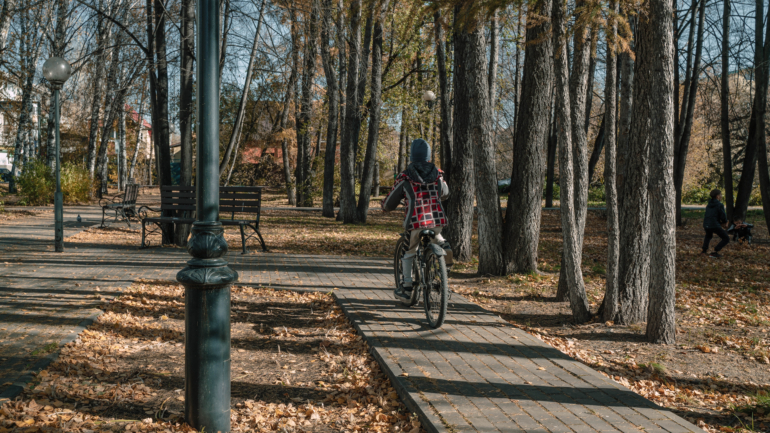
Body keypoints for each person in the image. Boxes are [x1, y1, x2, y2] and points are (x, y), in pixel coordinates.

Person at [381, 138, 449, 300]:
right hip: (437, 220)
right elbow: (445, 193)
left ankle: (407, 288)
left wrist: (385, 206)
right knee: (437, 238)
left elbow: (390, 202)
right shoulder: (438, 175)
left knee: (409, 252)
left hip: (416, 222)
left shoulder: (405, 177)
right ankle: (443, 254)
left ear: (411, 157)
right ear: (429, 157)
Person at [702, 189, 729, 258]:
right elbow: (722, 215)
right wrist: (725, 222)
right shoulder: (719, 205)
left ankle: (704, 251)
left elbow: (711, 216)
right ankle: (714, 252)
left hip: (706, 224)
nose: (721, 196)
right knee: (726, 238)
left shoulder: (708, 205)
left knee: (708, 236)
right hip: (714, 225)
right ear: (717, 196)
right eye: (721, 195)